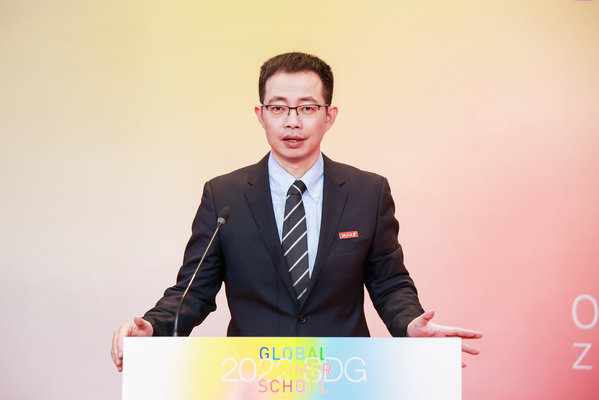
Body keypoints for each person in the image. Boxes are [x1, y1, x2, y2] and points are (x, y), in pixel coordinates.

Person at [111, 52, 482, 372]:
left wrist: (409, 323)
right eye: (278, 108)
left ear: (329, 116)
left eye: (307, 108)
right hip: (253, 377)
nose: (292, 122)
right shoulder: (224, 196)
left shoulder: (368, 192)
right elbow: (193, 290)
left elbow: (389, 281)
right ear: (261, 115)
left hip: (343, 374)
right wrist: (153, 327)